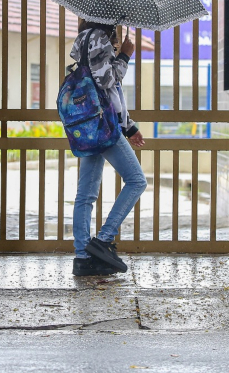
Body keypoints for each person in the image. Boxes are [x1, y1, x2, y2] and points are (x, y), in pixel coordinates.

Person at [70, 20, 147, 277]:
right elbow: (106, 81)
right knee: (137, 180)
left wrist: (130, 126)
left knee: (86, 194)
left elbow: (104, 88)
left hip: (89, 122)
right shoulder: (100, 38)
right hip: (104, 125)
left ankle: (82, 258)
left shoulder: (82, 38)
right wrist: (124, 55)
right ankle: (103, 240)